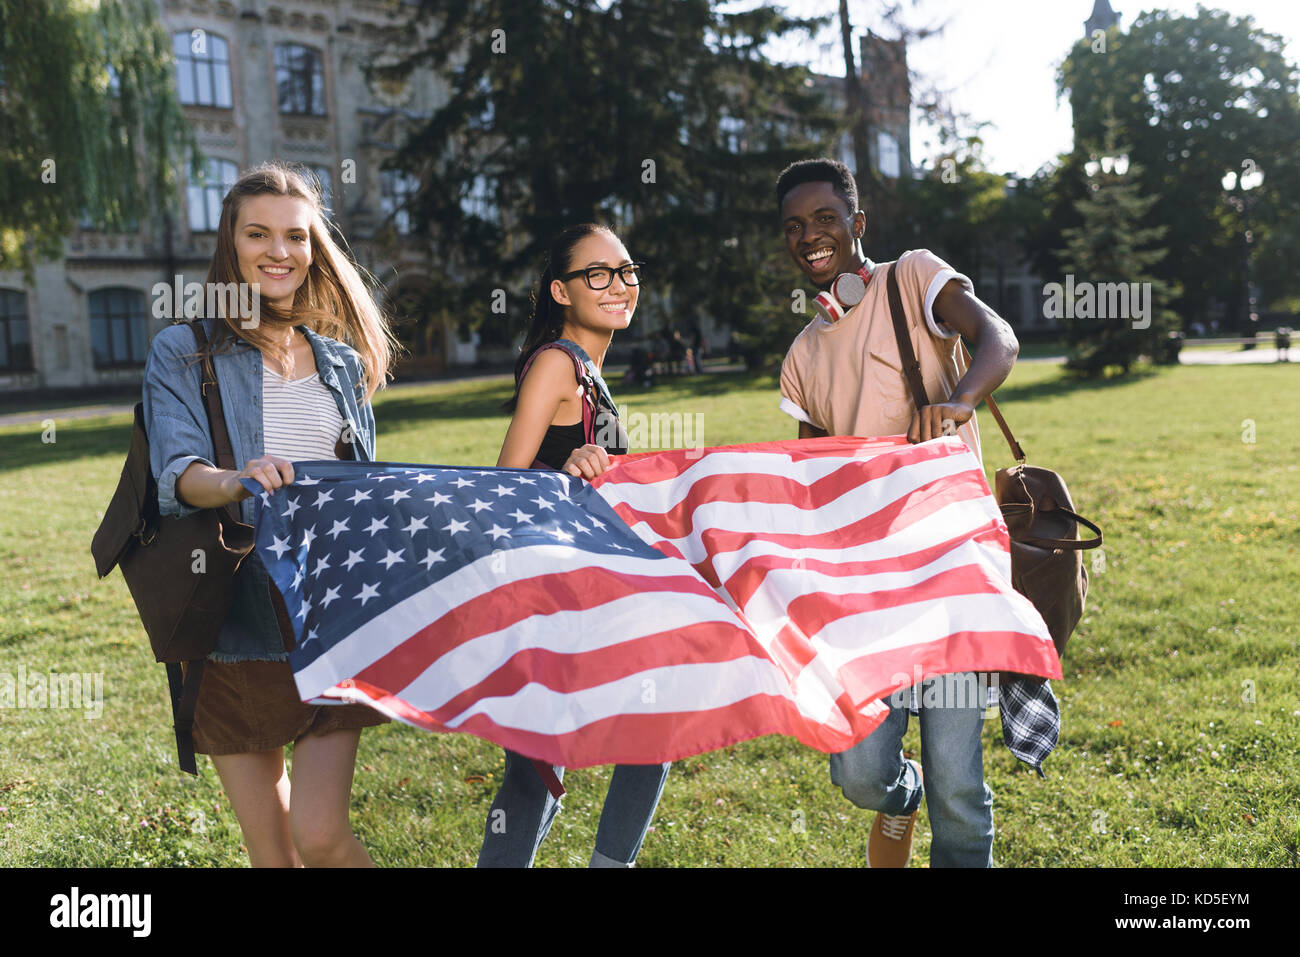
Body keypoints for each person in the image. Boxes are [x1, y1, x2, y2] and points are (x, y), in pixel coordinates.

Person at [142, 162, 399, 867]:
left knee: (320, 834)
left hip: (328, 617)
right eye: (258, 233)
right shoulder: (184, 349)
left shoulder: (340, 362)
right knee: (274, 852)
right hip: (232, 624)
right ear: (231, 242)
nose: (278, 251)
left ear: (315, 247)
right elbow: (177, 475)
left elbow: (360, 491)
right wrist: (236, 479)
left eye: (296, 235)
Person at [775, 158, 1020, 868]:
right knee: (860, 771)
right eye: (795, 227)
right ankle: (899, 794)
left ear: (857, 225)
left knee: (961, 791)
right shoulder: (802, 355)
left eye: (825, 219)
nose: (810, 236)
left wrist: (961, 399)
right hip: (865, 586)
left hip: (951, 567)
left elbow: (997, 336)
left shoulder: (913, 276)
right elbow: (810, 482)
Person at [482, 223, 672, 868]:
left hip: (581, 585)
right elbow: (505, 488)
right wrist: (564, 478)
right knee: (546, 769)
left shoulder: (589, 370)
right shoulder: (558, 363)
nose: (618, 285)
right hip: (545, 593)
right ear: (561, 290)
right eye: (598, 274)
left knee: (550, 770)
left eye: (626, 271)